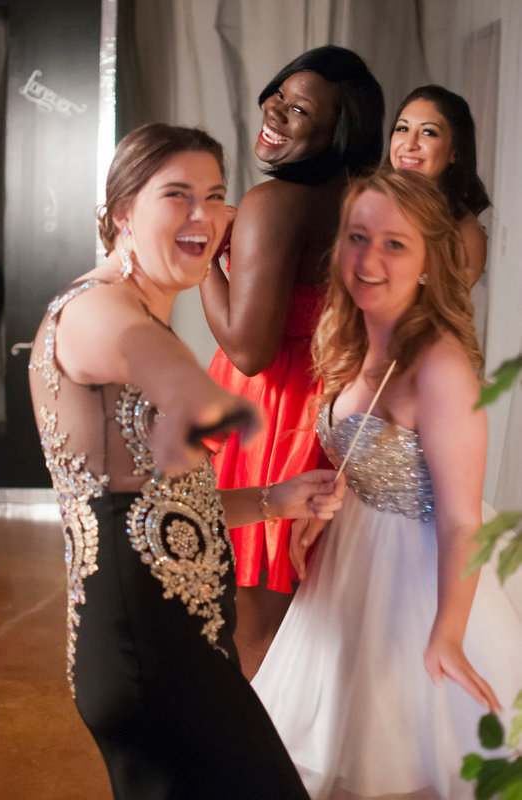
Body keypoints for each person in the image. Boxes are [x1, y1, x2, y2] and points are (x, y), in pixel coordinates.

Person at [28, 123, 345, 800]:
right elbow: (132, 348)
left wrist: (275, 499)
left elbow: (163, 509)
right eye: (177, 195)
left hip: (177, 646)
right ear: (123, 212)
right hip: (150, 652)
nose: (204, 214)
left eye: (215, 196)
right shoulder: (95, 310)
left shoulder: (141, 313)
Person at [251, 168, 522, 799]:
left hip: (416, 584)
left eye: (395, 244)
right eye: (357, 236)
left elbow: (461, 518)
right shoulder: (355, 333)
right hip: (349, 563)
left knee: (398, 759)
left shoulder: (440, 365)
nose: (368, 259)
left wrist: (447, 633)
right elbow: (372, 453)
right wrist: (332, 499)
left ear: (429, 263)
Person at [200, 45, 384, 679]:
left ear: (338, 132)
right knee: (308, 629)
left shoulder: (274, 202)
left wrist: (205, 261)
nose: (274, 111)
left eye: (299, 110)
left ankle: (252, 742)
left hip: (273, 423)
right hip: (336, 413)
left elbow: (249, 351)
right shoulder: (365, 201)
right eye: (278, 93)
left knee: (251, 635)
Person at [388, 84, 491, 287]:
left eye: (428, 132)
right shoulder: (366, 204)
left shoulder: (465, 234)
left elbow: (441, 306)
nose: (409, 144)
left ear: (454, 152)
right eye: (402, 129)